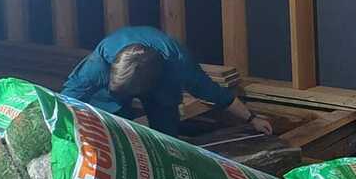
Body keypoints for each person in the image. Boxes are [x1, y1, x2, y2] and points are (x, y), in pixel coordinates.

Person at [62, 26, 273, 138]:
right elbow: (67, 98)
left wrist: (252, 118)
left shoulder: (179, 64)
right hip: (112, 86)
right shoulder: (102, 60)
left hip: (162, 86)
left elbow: (214, 93)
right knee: (110, 124)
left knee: (166, 135)